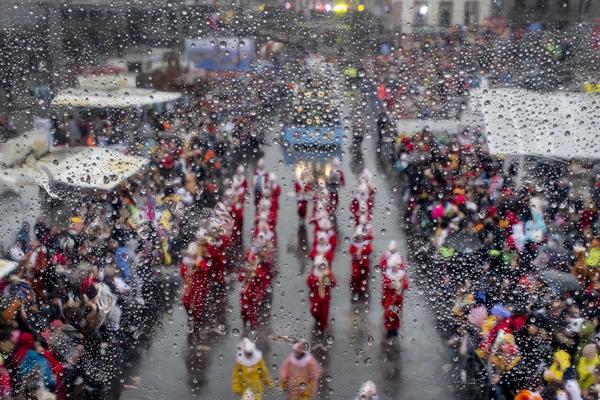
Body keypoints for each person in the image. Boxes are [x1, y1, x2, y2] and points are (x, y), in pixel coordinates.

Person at [381, 254, 409, 337]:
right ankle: (389, 329)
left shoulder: (402, 274)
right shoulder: (387, 274)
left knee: (396, 314)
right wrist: (392, 285)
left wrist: (400, 285)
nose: (395, 267)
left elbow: (406, 285)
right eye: (393, 266)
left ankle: (395, 328)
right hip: (389, 298)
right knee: (389, 314)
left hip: (398, 298)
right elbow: (385, 285)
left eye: (396, 266)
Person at [307, 255, 336, 333]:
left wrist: (327, 279)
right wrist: (317, 280)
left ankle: (324, 327)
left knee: (324, 314)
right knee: (314, 310)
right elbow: (309, 282)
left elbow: (333, 283)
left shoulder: (327, 274)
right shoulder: (313, 274)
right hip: (315, 298)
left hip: (325, 300)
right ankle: (318, 319)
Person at [349, 228, 372, 293]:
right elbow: (351, 251)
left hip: (364, 263)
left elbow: (369, 250)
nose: (359, 238)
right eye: (358, 237)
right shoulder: (354, 244)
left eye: (360, 237)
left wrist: (361, 251)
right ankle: (356, 287)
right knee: (356, 275)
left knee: (364, 275)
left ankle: (362, 286)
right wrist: (357, 254)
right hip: (356, 263)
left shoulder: (366, 244)